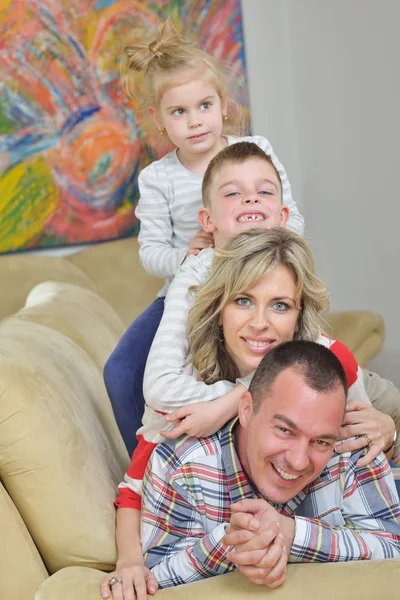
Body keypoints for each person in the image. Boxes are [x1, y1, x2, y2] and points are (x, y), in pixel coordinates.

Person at [101, 225, 397, 599]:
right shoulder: (187, 398)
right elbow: (136, 489)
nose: (260, 323)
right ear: (219, 309)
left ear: (298, 313)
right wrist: (130, 560)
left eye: (280, 305)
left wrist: (390, 432)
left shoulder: (329, 360)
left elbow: (369, 465)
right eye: (243, 301)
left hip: (366, 406)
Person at [103, 18, 304, 456]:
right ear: (158, 119)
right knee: (121, 371)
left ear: (223, 104)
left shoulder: (256, 152)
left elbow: (294, 221)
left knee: (304, 356)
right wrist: (185, 255)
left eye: (204, 106)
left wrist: (265, 251)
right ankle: (151, 462)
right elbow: (150, 253)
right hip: (192, 290)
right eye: (179, 112)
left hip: (258, 281)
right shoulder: (158, 178)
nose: (195, 122)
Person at [140, 340, 400, 589]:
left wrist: (293, 535)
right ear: (246, 410)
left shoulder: (355, 449)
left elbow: (394, 549)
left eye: (320, 441)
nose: (298, 461)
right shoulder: (181, 464)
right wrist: (234, 540)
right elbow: (153, 578)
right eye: (285, 430)